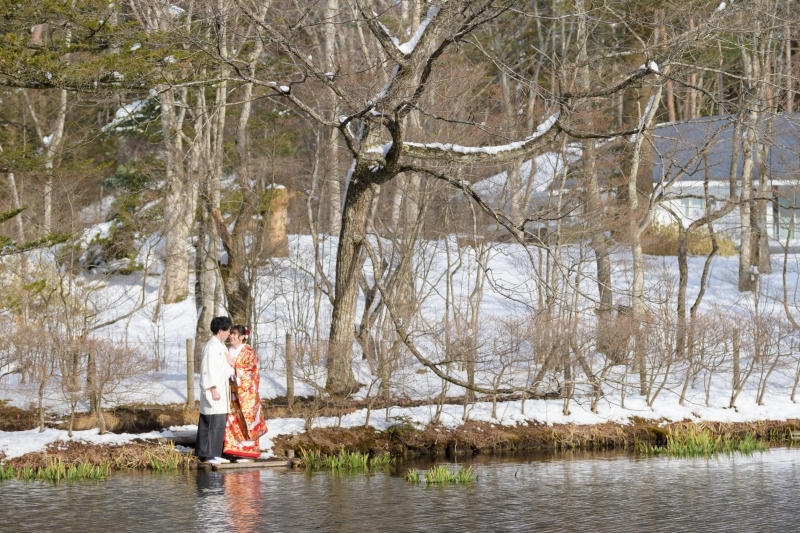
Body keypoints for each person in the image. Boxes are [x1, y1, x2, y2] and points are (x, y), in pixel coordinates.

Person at [222, 325, 268, 459]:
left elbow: (252, 371)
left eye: (235, 334)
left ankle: (249, 451)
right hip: (232, 392)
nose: (231, 336)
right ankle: (233, 450)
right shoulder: (228, 350)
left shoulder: (248, 352)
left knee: (247, 420)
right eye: (231, 333)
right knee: (232, 420)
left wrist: (233, 365)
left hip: (246, 393)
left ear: (242, 336)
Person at [196, 316, 233, 462]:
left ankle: (213, 454)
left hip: (222, 390)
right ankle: (209, 455)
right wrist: (212, 388)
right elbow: (207, 368)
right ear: (220, 331)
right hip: (214, 390)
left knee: (218, 422)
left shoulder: (220, 345)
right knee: (212, 421)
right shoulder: (211, 346)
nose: (229, 333)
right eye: (228, 330)